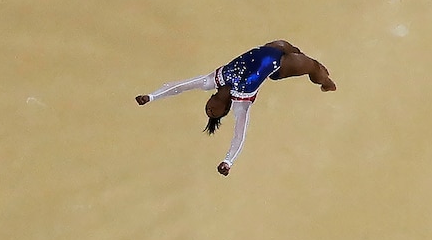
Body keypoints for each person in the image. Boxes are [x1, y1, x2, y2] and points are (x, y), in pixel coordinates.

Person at [135, 40, 336, 176]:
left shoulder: (212, 80)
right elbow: (239, 135)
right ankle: (325, 82)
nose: (210, 109)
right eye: (214, 113)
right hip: (280, 65)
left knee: (286, 45)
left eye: (207, 109)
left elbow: (179, 86)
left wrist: (151, 97)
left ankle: (305, 61)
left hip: (270, 47)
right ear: (225, 110)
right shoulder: (241, 102)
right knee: (314, 67)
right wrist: (228, 161)